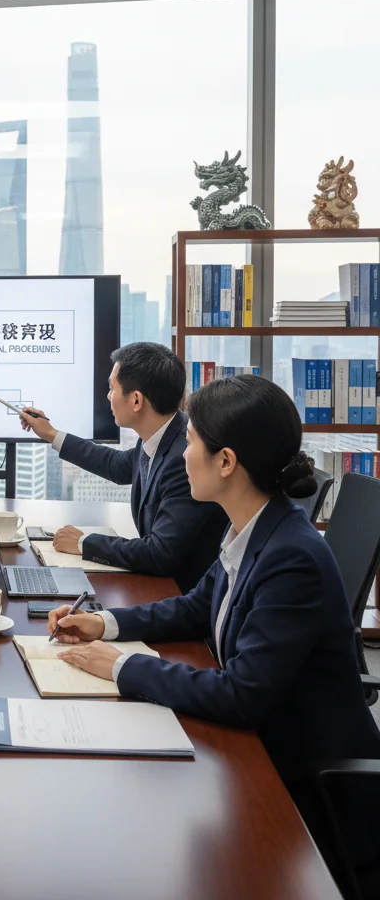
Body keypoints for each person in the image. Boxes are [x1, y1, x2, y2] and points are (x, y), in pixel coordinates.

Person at [47, 374, 380, 887]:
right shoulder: (251, 525)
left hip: (311, 796)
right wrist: (104, 622)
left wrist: (123, 667)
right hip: (259, 756)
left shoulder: (292, 557)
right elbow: (197, 607)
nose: (183, 455)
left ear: (226, 462)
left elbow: (240, 695)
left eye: (192, 441)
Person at [19, 341, 227, 592]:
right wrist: (52, 434)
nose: (109, 396)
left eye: (112, 388)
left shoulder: (183, 457)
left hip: (182, 595)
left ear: (136, 400)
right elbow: (116, 465)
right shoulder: (162, 435)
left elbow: (160, 553)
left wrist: (84, 543)